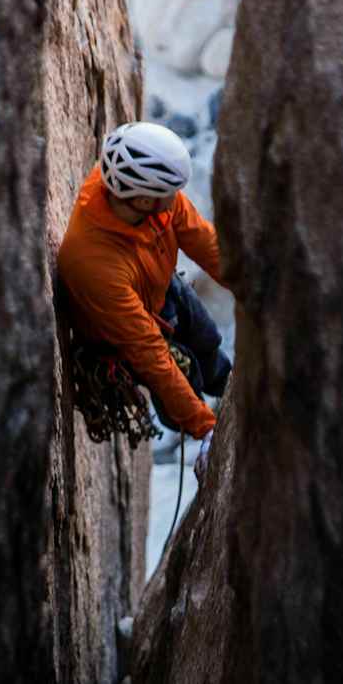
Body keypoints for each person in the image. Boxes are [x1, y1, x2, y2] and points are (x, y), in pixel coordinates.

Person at [58, 122, 232, 471]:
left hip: (158, 285)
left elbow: (204, 241)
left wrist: (257, 288)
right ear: (141, 199)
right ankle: (199, 420)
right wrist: (207, 429)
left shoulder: (146, 198)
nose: (177, 198)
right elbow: (149, 353)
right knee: (184, 369)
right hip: (126, 330)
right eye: (171, 191)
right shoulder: (93, 263)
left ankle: (229, 388)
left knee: (206, 340)